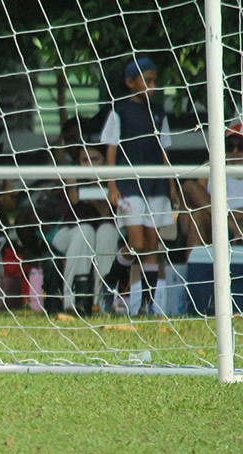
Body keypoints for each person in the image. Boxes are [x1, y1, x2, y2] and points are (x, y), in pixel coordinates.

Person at [101, 56, 180, 316]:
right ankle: (110, 280)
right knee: (136, 243)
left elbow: (164, 150)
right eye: (147, 81)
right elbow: (111, 150)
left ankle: (147, 305)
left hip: (156, 184)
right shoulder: (119, 110)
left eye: (155, 81)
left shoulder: (158, 112)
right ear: (130, 82)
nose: (152, 86)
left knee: (152, 245)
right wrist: (112, 185)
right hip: (129, 184)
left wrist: (172, 185)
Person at [55, 144, 122, 314]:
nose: (90, 164)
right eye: (85, 160)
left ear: (106, 161)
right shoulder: (73, 179)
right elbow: (70, 218)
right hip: (70, 234)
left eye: (95, 159)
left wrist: (98, 199)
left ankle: (103, 300)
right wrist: (73, 191)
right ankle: (72, 301)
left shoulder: (114, 182)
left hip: (103, 233)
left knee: (106, 231)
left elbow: (113, 219)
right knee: (85, 231)